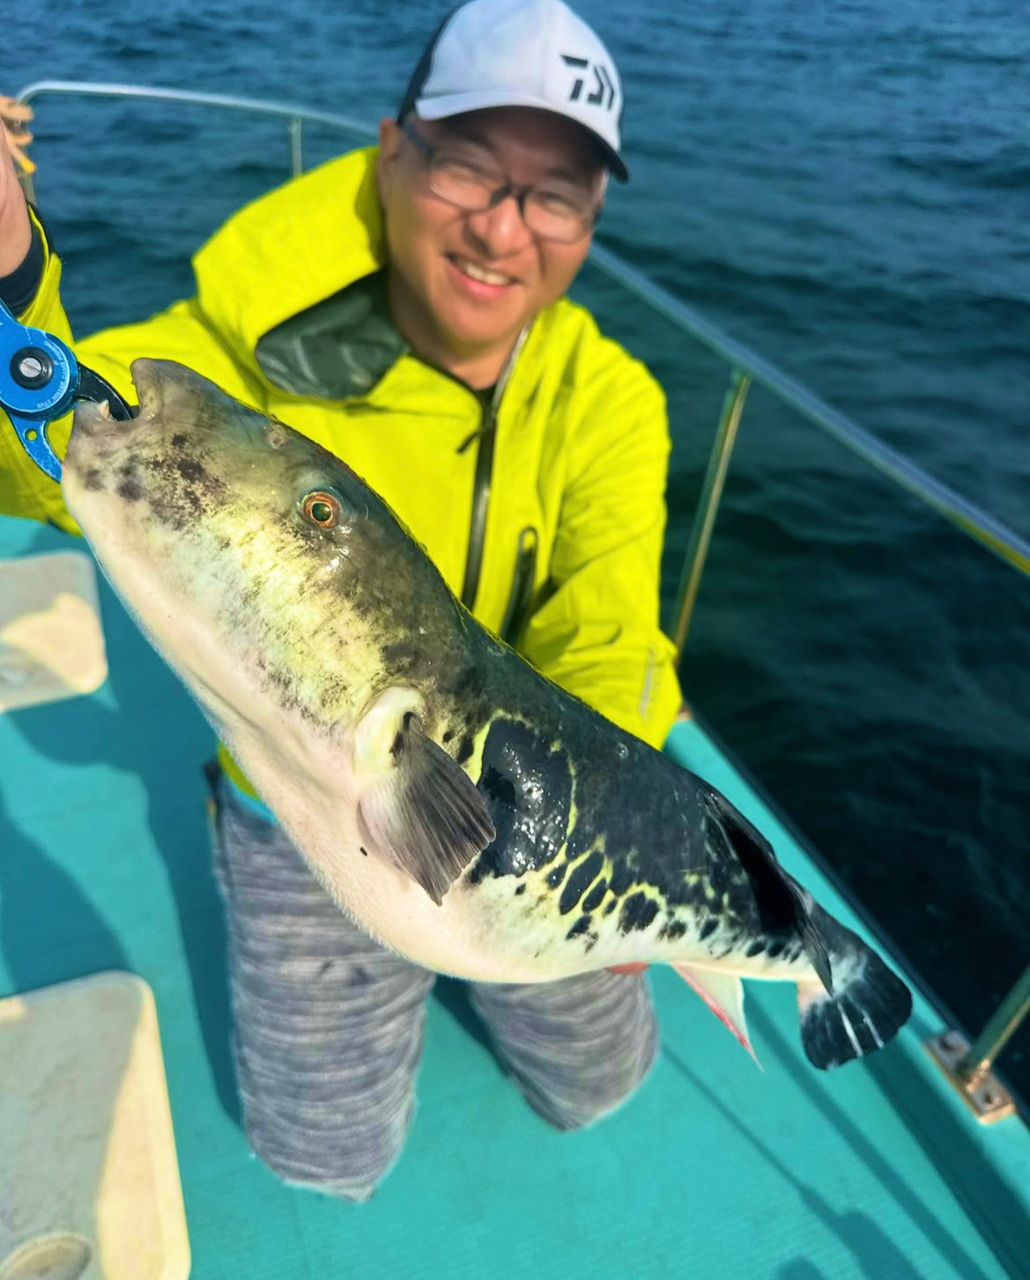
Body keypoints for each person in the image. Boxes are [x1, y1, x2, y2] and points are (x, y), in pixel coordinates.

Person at [0, 0, 682, 1200]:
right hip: (299, 808)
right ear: (392, 148)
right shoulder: (255, 343)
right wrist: (8, 278)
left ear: (591, 219)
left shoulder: (608, 399)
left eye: (557, 191)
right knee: (325, 1156)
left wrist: (611, 840)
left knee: (597, 1080)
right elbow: (68, 446)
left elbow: (610, 635)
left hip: (531, 812)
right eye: (470, 161)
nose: (503, 227)